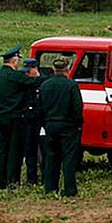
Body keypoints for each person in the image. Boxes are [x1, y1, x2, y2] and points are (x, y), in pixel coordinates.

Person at [0, 46, 42, 190]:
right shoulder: (15, 76)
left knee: (2, 149)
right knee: (15, 150)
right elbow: (34, 82)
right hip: (15, 117)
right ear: (15, 60)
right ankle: (12, 181)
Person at [38, 55, 83, 197]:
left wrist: (45, 123)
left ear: (54, 69)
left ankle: (50, 187)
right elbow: (77, 108)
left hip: (50, 125)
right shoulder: (71, 85)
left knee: (51, 157)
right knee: (69, 158)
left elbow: (40, 107)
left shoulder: (45, 85)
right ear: (67, 69)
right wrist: (78, 124)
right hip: (68, 126)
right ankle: (69, 189)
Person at [22, 58, 44, 185]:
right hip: (29, 122)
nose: (26, 74)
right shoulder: (26, 85)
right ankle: (31, 178)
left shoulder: (43, 82)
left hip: (41, 122)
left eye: (28, 71)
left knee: (44, 151)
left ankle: (44, 176)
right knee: (30, 151)